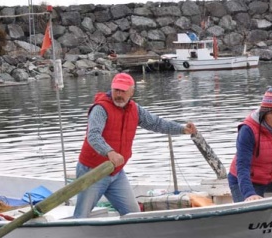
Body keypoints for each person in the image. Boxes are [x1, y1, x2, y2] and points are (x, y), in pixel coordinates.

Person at [73, 72, 197, 218]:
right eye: (116, 90)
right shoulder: (100, 109)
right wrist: (110, 152)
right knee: (81, 215)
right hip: (93, 171)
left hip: (116, 172)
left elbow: (156, 123)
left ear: (132, 92)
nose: (119, 94)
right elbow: (93, 135)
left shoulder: (135, 109)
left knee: (134, 214)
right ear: (111, 89)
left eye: (123, 91)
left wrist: (182, 129)